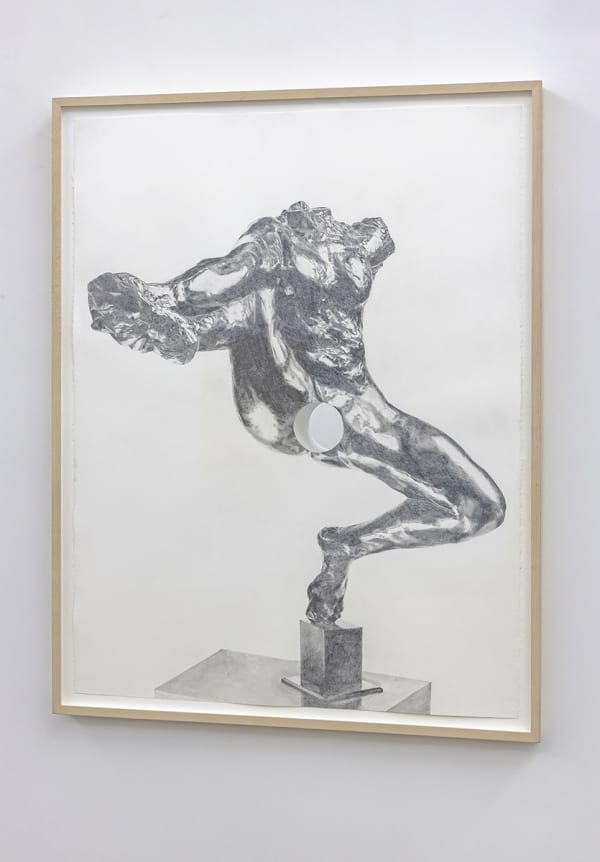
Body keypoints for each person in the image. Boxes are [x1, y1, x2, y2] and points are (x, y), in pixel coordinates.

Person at [88, 201, 506, 625]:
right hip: (290, 408)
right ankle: (185, 329)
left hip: (363, 406)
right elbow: (222, 276)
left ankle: (346, 545)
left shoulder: (358, 243)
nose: (318, 211)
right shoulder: (276, 242)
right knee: (259, 305)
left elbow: (378, 240)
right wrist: (166, 297)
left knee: (482, 508)